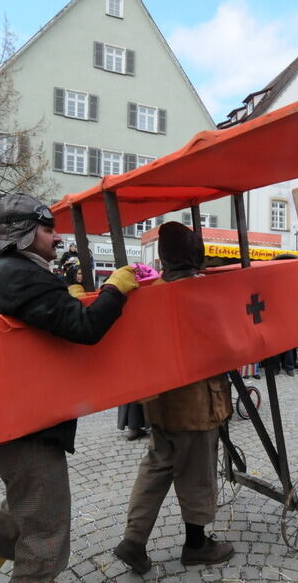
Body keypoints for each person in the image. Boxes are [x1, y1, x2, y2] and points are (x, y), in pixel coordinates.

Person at [0, 194, 137, 583]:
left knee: (18, 509)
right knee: (46, 531)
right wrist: (116, 288)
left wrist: (67, 298)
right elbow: (86, 329)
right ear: (27, 234)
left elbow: (48, 317)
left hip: (10, 411)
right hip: (28, 420)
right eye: (48, 229)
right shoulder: (21, 273)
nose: (56, 238)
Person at [114, 221, 234, 575]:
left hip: (160, 402)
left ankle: (133, 541)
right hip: (197, 403)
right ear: (195, 254)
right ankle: (197, 545)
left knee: (155, 471)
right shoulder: (202, 294)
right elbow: (223, 345)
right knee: (197, 475)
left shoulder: (148, 292)